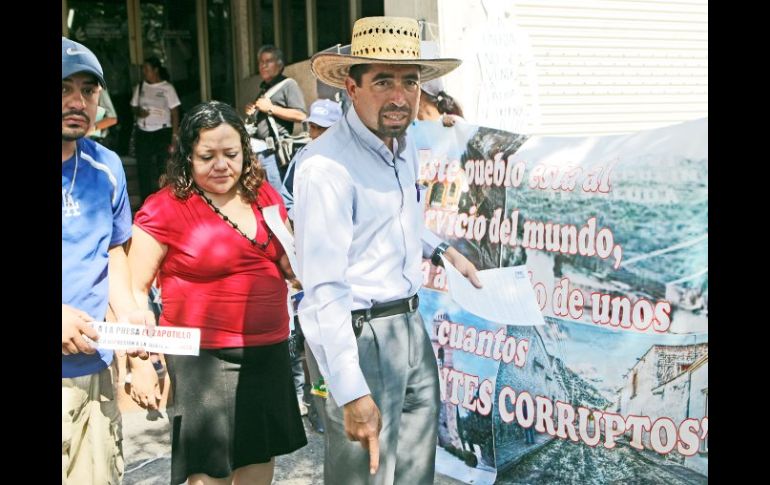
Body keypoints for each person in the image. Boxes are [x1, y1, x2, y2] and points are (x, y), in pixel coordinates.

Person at [293, 16, 483, 484]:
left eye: (410, 82)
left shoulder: (403, 144)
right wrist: (350, 389)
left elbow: (394, 221)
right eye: (383, 81)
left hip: (409, 328)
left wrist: (441, 251)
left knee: (416, 472)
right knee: (367, 474)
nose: (400, 96)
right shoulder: (325, 168)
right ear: (351, 89)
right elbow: (324, 291)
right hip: (359, 337)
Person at [127, 100, 307, 485]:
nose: (221, 165)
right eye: (207, 156)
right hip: (204, 358)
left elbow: (287, 260)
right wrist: (140, 361)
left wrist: (301, 271)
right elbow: (133, 289)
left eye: (231, 153)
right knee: (210, 469)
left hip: (267, 349)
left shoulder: (265, 196)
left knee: (259, 454)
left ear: (246, 150)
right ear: (187, 157)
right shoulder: (164, 208)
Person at [62, 37, 153, 484]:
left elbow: (113, 250)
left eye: (88, 89)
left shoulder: (106, 166)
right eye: (63, 88)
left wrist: (133, 312)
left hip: (94, 372)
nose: (77, 102)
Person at [245, 45, 307, 192]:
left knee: (279, 199)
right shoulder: (263, 89)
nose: (263, 66)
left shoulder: (288, 85)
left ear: (279, 64)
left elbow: (301, 115)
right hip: (260, 153)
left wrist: (271, 108)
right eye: (261, 62)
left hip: (275, 154)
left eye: (268, 61)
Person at [280, 97, 343, 218]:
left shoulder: (348, 157)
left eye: (323, 128)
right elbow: (287, 195)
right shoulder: (302, 155)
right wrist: (297, 219)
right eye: (313, 127)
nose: (316, 133)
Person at [131, 56, 181, 202]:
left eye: (146, 69)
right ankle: (146, 202)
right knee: (143, 168)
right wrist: (139, 112)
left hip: (162, 132)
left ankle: (165, 200)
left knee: (163, 168)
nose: (144, 73)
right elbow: (133, 107)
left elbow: (175, 112)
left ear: (155, 70)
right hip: (144, 132)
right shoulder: (140, 87)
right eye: (143, 70)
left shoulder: (167, 88)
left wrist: (174, 135)